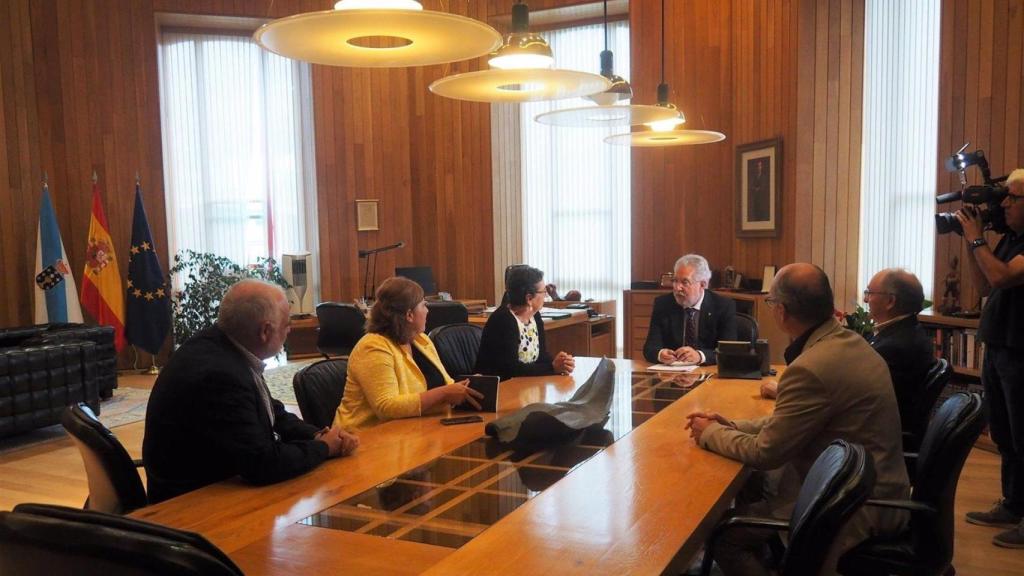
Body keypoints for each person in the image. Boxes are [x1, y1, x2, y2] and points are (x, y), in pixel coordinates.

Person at [685, 263, 909, 576]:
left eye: (771, 302)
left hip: (853, 505)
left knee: (724, 537)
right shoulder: (848, 342)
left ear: (781, 311)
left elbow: (766, 452)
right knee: (751, 486)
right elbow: (788, 423)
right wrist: (730, 426)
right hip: (869, 487)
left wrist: (710, 433)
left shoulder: (811, 367)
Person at [143, 279, 359, 504]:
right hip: (191, 505)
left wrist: (316, 435)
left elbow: (271, 411)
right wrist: (323, 448)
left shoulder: (226, 348)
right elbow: (262, 464)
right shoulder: (219, 374)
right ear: (265, 331)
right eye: (287, 324)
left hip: (221, 486)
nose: (290, 330)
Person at [958, 168, 1024, 548]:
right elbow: (984, 284)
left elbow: (1002, 278)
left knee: (1023, 435)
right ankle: (1013, 504)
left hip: (1020, 351)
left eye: (1013, 198)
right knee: (1003, 432)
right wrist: (972, 244)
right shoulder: (1010, 240)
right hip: (999, 347)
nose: (1005, 204)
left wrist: (976, 237)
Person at [334, 276, 483, 430]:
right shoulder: (372, 347)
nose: (427, 310)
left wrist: (467, 386)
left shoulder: (421, 340)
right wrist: (444, 393)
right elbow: (386, 408)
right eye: (423, 305)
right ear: (409, 315)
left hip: (416, 430)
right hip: (365, 437)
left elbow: (446, 384)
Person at [863, 268, 936, 441]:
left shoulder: (893, 347)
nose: (865, 299)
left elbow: (860, 396)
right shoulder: (909, 331)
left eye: (870, 293)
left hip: (879, 436)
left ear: (890, 301)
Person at [475, 265, 575, 379]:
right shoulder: (503, 320)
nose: (546, 295)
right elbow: (511, 369)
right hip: (501, 385)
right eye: (543, 292)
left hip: (525, 384)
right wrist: (552, 368)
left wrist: (561, 363)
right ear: (529, 298)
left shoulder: (535, 316)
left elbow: (541, 356)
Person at [643, 254, 737, 365]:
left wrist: (700, 356)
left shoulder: (723, 306)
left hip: (708, 373)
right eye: (675, 281)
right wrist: (660, 354)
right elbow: (649, 348)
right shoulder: (663, 304)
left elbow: (729, 352)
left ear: (703, 284)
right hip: (672, 372)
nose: (677, 287)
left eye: (685, 282)